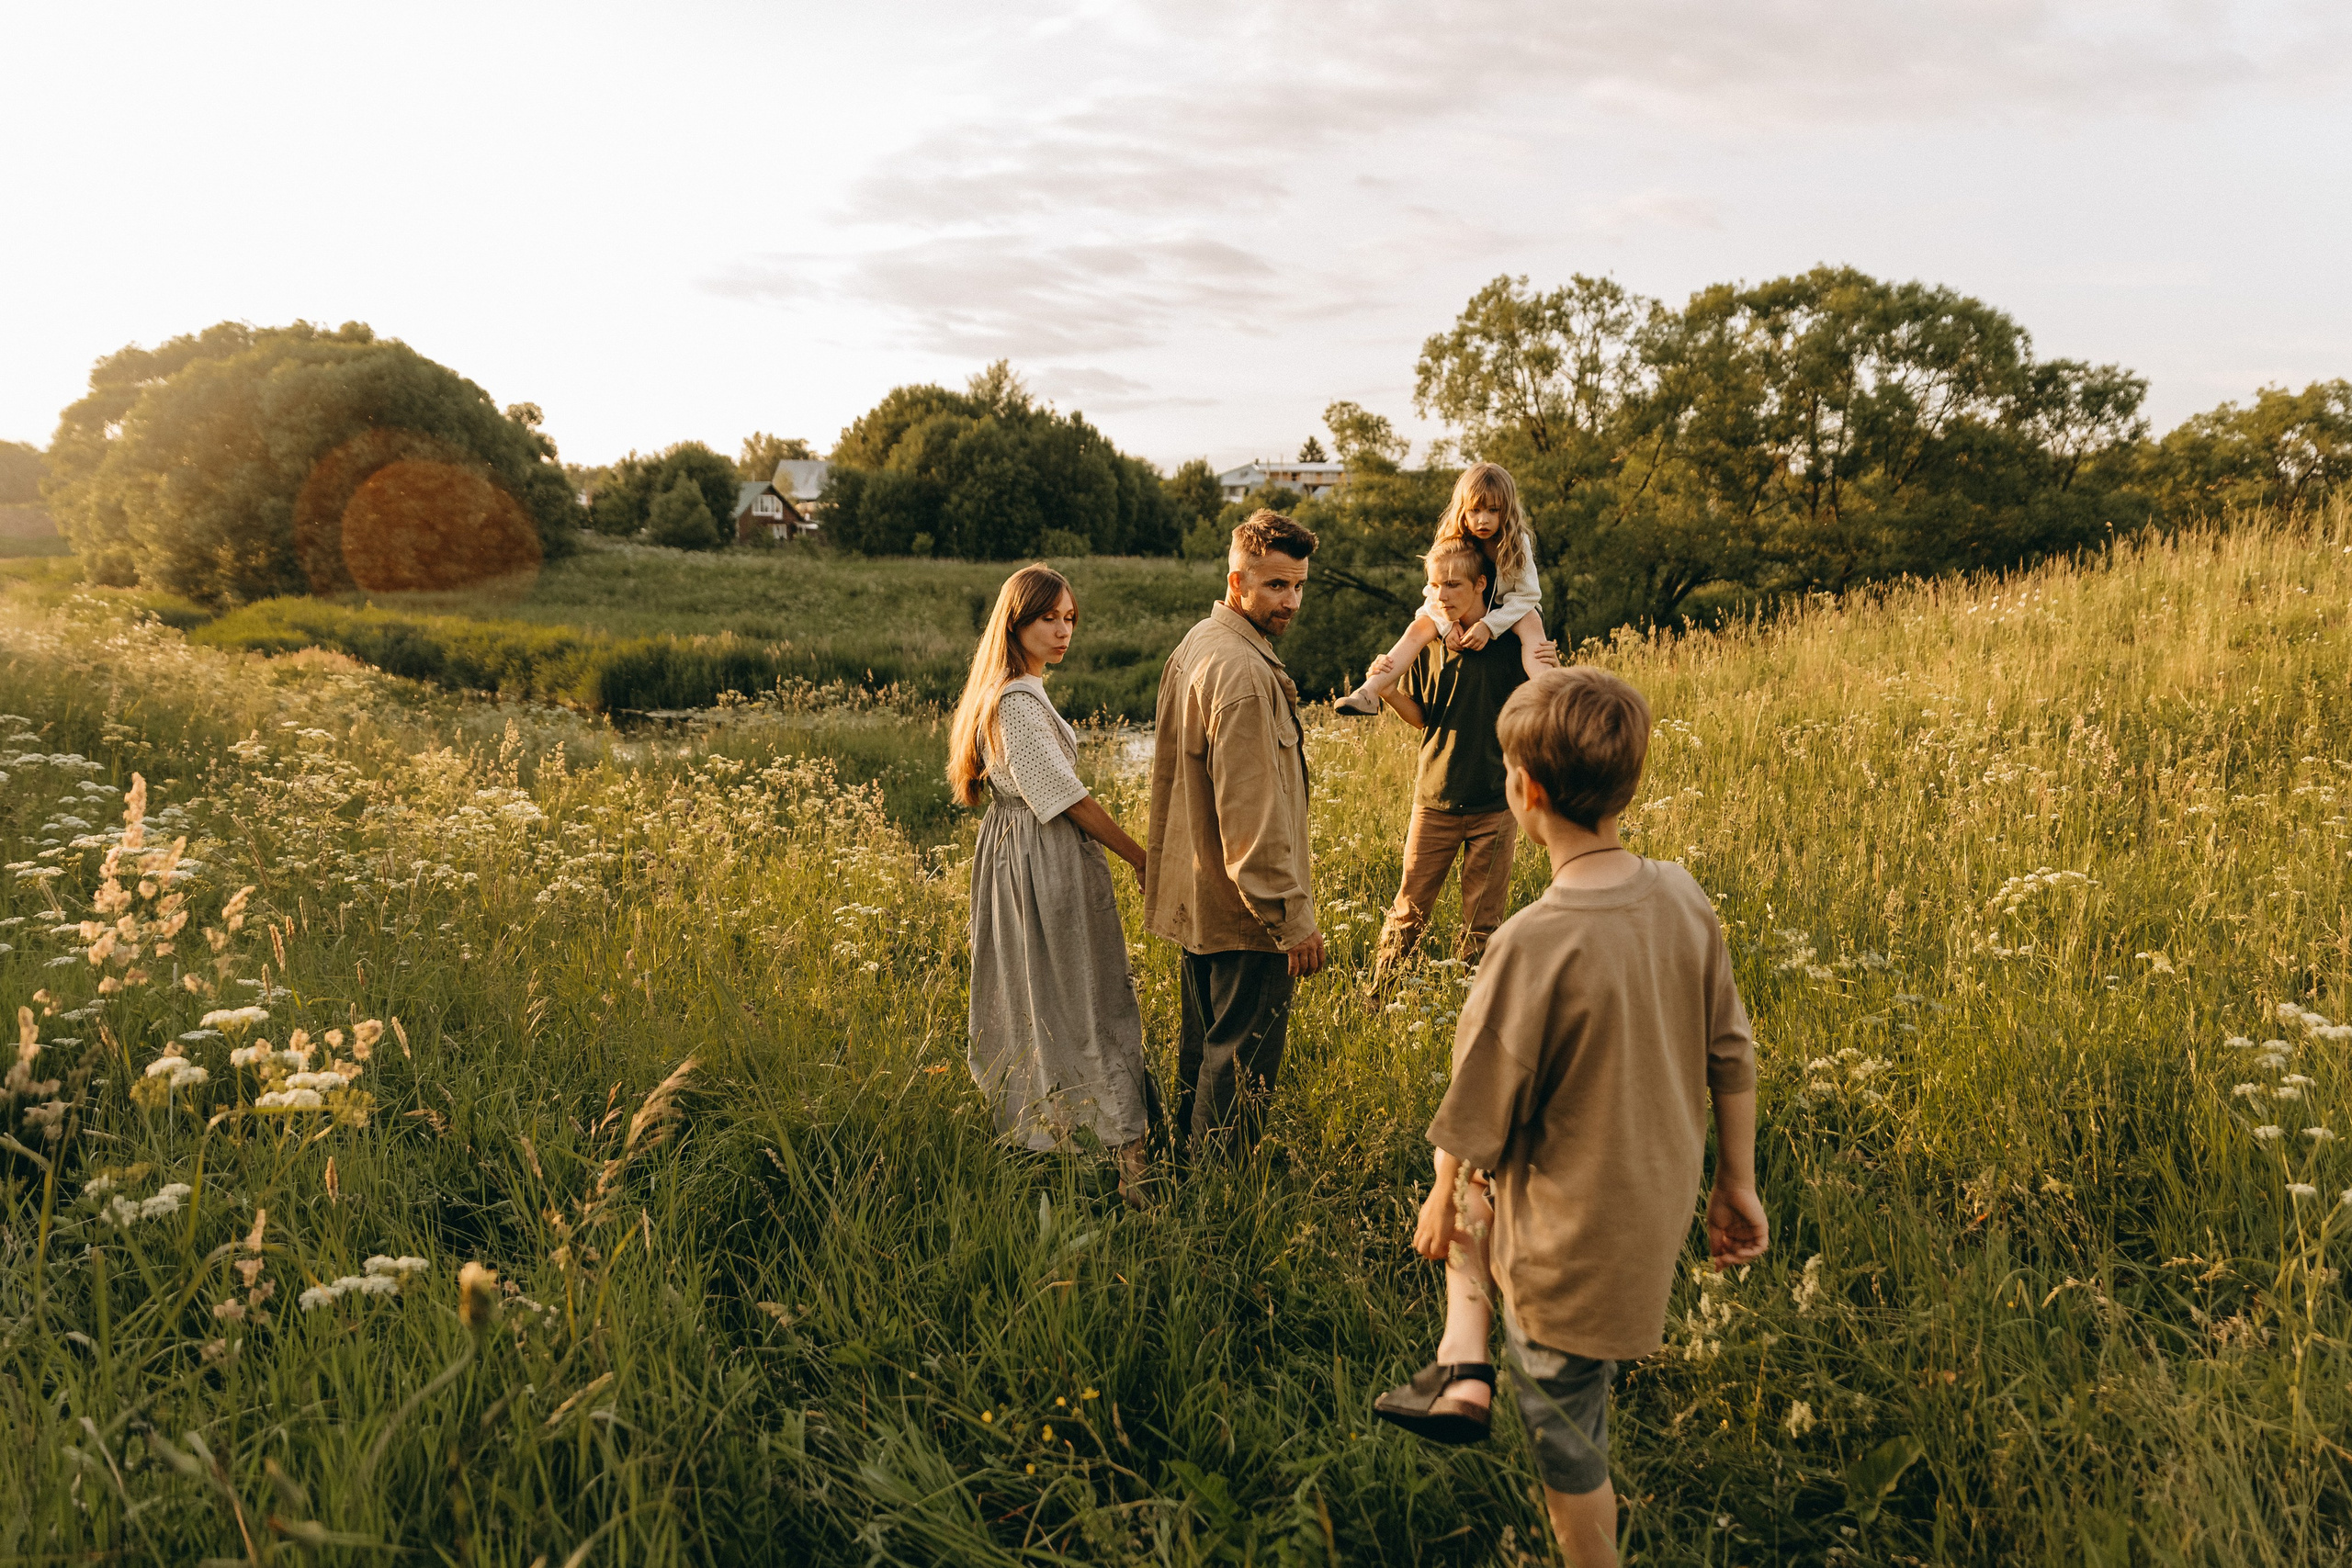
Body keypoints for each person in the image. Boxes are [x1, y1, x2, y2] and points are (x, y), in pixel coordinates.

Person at [1372, 666, 1767, 1568]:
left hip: (1563, 1245)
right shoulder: (1679, 896)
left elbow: (1473, 1106)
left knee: (1564, 1435)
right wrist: (1736, 1182)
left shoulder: (1531, 941)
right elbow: (1730, 1051)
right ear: (1627, 785)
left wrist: (1437, 1199)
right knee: (1482, 1200)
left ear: (1523, 791)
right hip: (1650, 1206)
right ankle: (1464, 1370)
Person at [952, 564, 1157, 1204]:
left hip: (1024, 858)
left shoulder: (1019, 692)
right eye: (1050, 618)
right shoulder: (1014, 699)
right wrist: (1137, 854)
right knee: (1088, 998)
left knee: (1050, 995)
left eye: (1071, 618)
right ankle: (1131, 1167)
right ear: (1017, 622)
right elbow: (1062, 795)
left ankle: (1066, 1142)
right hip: (1043, 863)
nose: (1064, 630)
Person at [1143, 509, 1328, 1162]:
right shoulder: (1244, 674)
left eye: (1299, 584)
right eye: (1276, 585)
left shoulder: (1200, 641)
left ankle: (1181, 1180)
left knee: (1202, 1056)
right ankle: (1216, 1212)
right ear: (1237, 579)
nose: (1291, 601)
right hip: (1247, 913)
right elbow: (1251, 821)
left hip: (1204, 899)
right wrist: (1291, 919)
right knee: (1236, 1074)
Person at [1361, 536, 1551, 989]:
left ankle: (1473, 1006)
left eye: (1453, 585)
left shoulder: (1511, 643)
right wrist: (1388, 693)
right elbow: (1425, 718)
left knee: (1482, 925)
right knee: (1408, 911)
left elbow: (1540, 703)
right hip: (1435, 800)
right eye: (1435, 586)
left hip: (1495, 805)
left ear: (1482, 584)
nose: (1442, 595)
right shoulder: (1431, 642)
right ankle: (1377, 999)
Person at [1333, 462, 1552, 716]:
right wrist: (1448, 625)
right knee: (1418, 628)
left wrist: (1489, 625)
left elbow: (1528, 595)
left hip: (1511, 610)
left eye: (1494, 510)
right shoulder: (1452, 541)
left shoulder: (1516, 542)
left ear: (1507, 510)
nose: (1483, 519)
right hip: (1457, 608)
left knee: (1532, 622)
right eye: (1475, 510)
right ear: (1463, 510)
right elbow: (1433, 593)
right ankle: (1369, 691)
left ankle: (1550, 692)